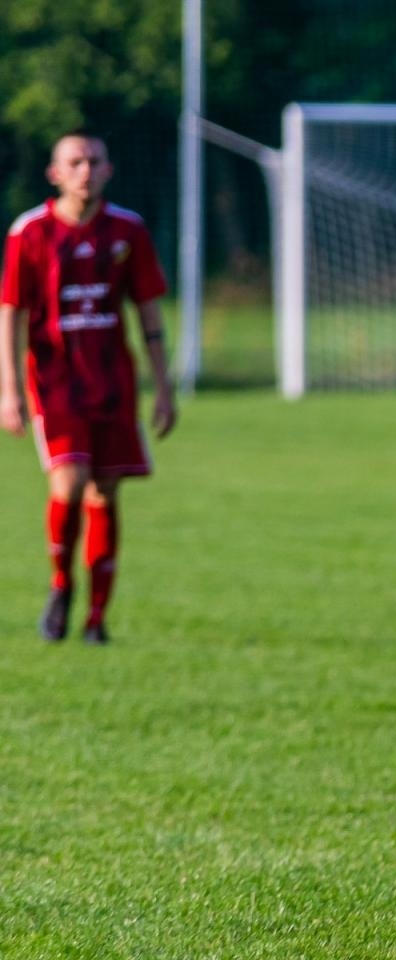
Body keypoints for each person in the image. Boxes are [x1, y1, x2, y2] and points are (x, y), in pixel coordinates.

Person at [1, 129, 177, 644]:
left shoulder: (128, 231)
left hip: (112, 382)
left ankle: (97, 619)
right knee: (70, 483)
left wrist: (163, 386)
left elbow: (147, 310)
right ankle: (61, 585)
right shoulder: (29, 233)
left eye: (94, 161)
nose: (85, 170)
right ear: (54, 173)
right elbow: (11, 312)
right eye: (74, 162)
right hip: (56, 382)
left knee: (105, 490)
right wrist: (9, 389)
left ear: (108, 170)